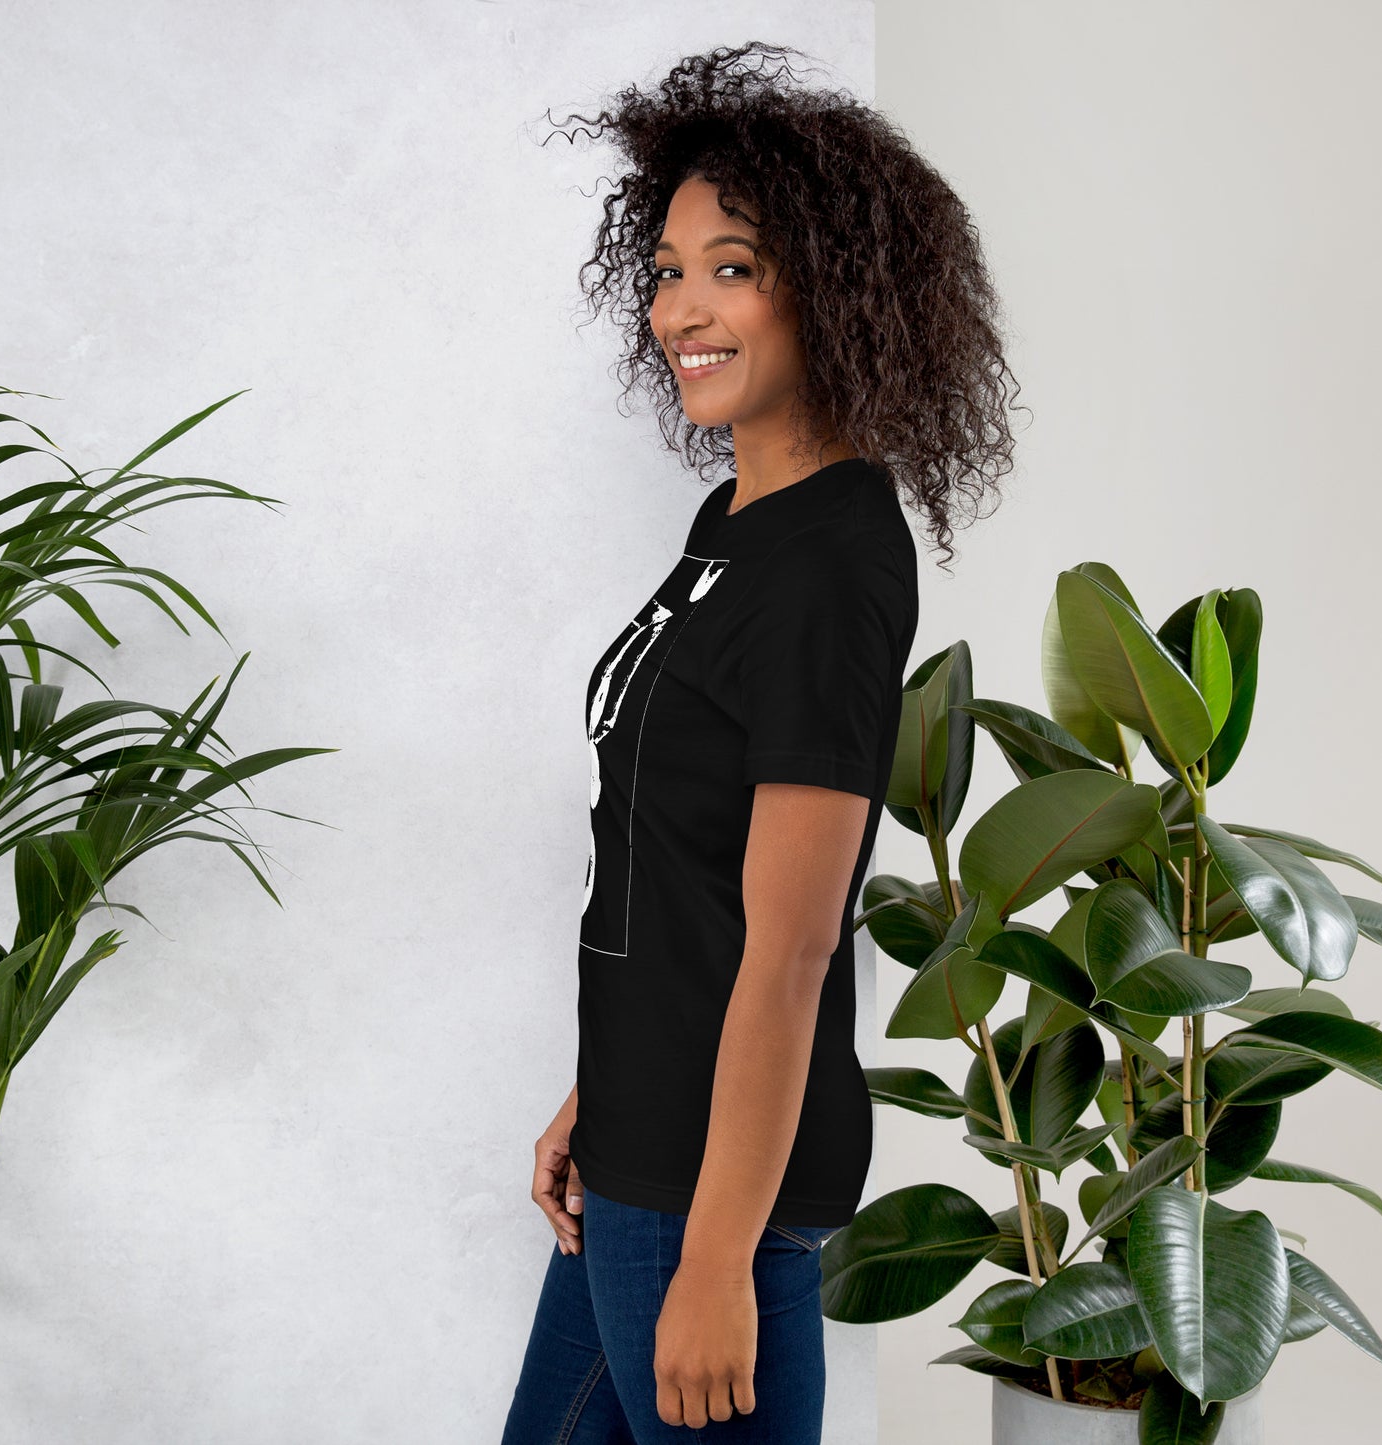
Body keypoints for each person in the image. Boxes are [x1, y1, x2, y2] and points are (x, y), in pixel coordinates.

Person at [501, 40, 1022, 1445]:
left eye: (732, 266)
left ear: (838, 289)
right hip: (637, 1160)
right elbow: (673, 868)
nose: (683, 307)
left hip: (707, 1204)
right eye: (667, 270)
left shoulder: (833, 561)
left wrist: (719, 1259)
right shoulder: (733, 529)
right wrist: (596, 1094)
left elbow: (789, 947)